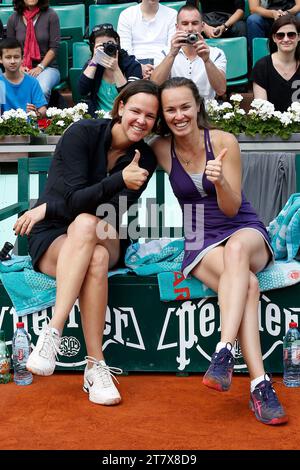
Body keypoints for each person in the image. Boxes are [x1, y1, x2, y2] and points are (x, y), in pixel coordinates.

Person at [151, 76, 288, 425]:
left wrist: (221, 181)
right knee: (249, 286)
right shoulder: (161, 148)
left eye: (185, 106)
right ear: (163, 115)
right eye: (170, 110)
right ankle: (260, 385)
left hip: (241, 226)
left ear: (198, 106)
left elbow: (231, 208)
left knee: (238, 250)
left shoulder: (224, 141)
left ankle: (224, 350)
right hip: (198, 236)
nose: (179, 115)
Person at [15, 80, 160, 406]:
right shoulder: (82, 133)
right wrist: (114, 182)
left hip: (106, 234)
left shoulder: (144, 158)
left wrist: (52, 206)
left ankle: (54, 331)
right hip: (54, 237)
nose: (141, 120)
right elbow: (73, 198)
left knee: (86, 225)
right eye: (136, 110)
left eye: (150, 116)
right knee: (91, 254)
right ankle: (96, 365)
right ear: (121, 107)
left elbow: (112, 212)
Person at [151, 4, 227, 101]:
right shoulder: (163, 52)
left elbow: (221, 90)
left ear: (202, 26)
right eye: (185, 23)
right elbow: (155, 86)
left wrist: (207, 60)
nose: (190, 28)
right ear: (177, 27)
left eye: (195, 23)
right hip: (175, 110)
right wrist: (171, 54)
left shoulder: (217, 53)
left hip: (206, 111)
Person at [79, 23, 142, 116]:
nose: (107, 48)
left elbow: (131, 97)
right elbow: (82, 91)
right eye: (101, 45)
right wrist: (94, 61)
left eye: (110, 43)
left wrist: (116, 69)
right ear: (93, 47)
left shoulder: (132, 65)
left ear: (117, 41)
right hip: (98, 119)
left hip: (124, 118)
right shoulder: (92, 66)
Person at [7, 0, 61, 102]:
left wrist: (40, 67)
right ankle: (19, 117)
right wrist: (20, 67)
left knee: (42, 89)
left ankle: (37, 117)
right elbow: (10, 48)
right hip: (21, 67)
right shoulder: (13, 18)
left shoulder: (51, 15)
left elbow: (55, 47)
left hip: (47, 67)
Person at [117, 0, 177, 79]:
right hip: (134, 67)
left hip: (163, 67)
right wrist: (139, 68)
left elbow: (171, 48)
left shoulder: (172, 14)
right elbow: (125, 49)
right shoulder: (127, 15)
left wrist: (158, 69)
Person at [252, 14, 300, 111]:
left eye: (291, 35)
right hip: (271, 124)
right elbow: (261, 110)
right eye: (280, 35)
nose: (286, 39)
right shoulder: (262, 66)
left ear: (298, 37)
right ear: (274, 38)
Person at [0, 37, 47, 116]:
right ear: (1, 59)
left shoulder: (32, 82)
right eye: (8, 57)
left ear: (22, 58)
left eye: (16, 57)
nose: (12, 61)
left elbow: (42, 109)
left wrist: (36, 112)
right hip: (6, 127)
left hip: (29, 127)